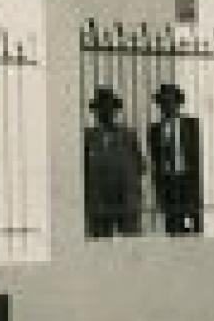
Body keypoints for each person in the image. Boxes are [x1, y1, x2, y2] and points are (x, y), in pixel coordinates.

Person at [83, 85, 145, 237]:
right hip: (99, 201)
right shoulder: (88, 137)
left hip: (125, 199)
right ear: (96, 113)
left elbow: (141, 165)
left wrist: (131, 186)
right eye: (101, 109)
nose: (106, 113)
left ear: (115, 111)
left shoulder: (129, 135)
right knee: (101, 240)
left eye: (109, 109)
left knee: (130, 238)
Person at [146, 83, 205, 236]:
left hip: (187, 181)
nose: (168, 106)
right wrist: (158, 189)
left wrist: (197, 188)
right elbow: (155, 161)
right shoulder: (155, 130)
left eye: (171, 102)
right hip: (168, 182)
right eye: (164, 103)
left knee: (195, 226)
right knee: (173, 226)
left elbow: (196, 157)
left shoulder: (191, 125)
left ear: (178, 103)